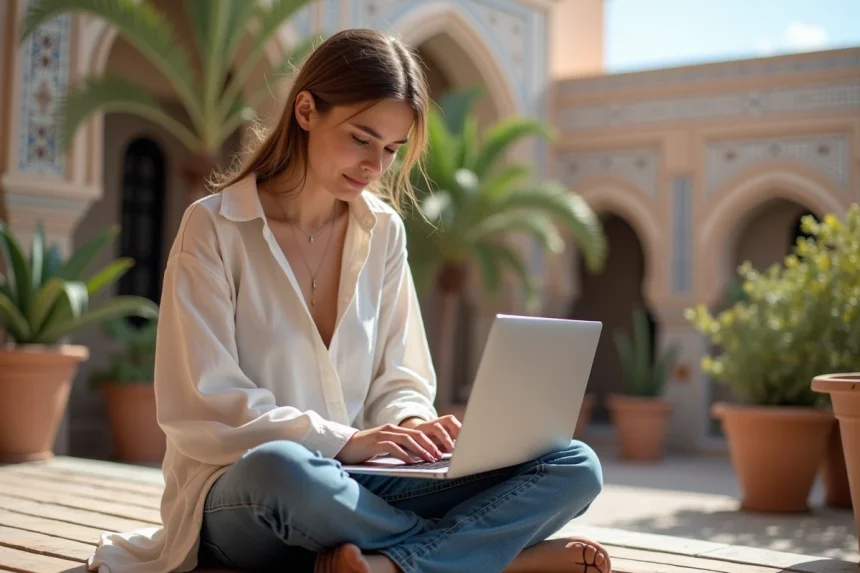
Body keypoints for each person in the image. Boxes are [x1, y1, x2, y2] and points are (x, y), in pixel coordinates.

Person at [87, 28, 610, 573]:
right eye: (361, 138)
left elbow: (402, 378)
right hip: (247, 492)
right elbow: (203, 402)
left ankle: (391, 565)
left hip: (363, 488)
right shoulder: (214, 228)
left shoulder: (383, 230)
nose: (375, 166)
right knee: (284, 469)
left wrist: (412, 428)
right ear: (307, 110)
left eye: (390, 150)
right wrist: (347, 441)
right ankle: (493, 558)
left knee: (574, 465)